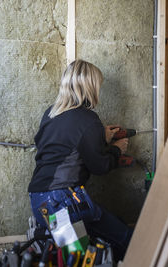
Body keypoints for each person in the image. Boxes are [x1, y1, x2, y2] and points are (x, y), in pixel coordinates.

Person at [28, 59, 133, 261]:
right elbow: (100, 166)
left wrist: (99, 137)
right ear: (90, 87)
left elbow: (64, 146)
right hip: (65, 203)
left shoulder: (50, 114)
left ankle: (48, 241)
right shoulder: (89, 120)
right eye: (98, 86)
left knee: (71, 255)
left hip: (38, 200)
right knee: (124, 240)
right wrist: (116, 150)